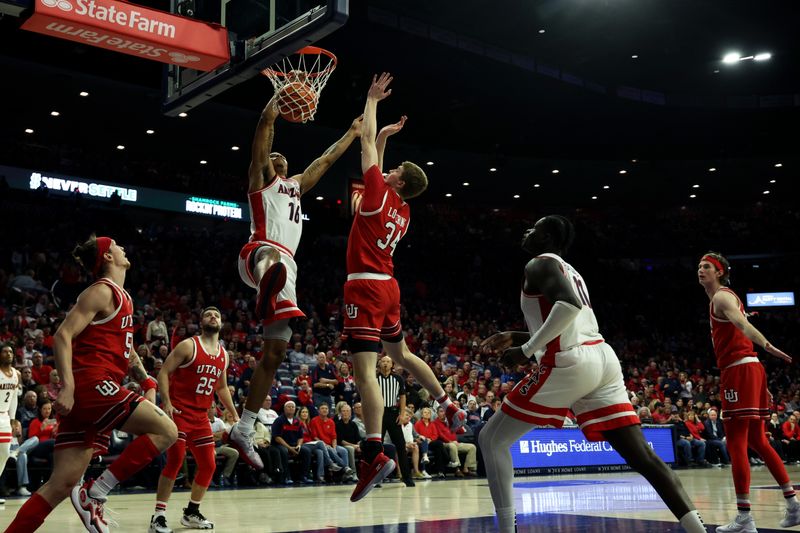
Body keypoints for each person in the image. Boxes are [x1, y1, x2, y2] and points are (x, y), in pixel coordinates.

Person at [478, 216, 705, 533]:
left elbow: (568, 307)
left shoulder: (538, 264)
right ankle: (698, 529)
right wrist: (518, 336)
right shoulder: (569, 269)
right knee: (644, 459)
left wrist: (526, 349)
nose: (526, 231)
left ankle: (506, 530)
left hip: (572, 362)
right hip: (603, 358)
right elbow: (570, 320)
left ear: (548, 238)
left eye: (535, 228)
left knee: (491, 439)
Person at [343, 73, 466, 503]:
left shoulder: (380, 191)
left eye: (393, 171)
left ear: (396, 182)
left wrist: (372, 100)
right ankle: (444, 399)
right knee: (402, 355)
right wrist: (389, 138)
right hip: (390, 285)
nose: (388, 169)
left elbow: (366, 147)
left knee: (365, 372)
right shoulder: (402, 208)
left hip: (365, 287)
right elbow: (376, 160)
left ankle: (374, 450)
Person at [5, 235, 177, 533]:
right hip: (93, 385)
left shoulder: (123, 297)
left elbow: (127, 350)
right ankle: (95, 492)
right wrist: (68, 386)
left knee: (61, 484)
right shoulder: (100, 291)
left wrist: (145, 378)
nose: (123, 248)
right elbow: (62, 335)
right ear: (108, 257)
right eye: (117, 245)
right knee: (167, 431)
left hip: (90, 395)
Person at [227, 94, 363, 469]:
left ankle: (244, 426)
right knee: (274, 261)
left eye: (281, 158)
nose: (278, 157)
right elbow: (264, 133)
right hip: (257, 252)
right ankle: (264, 291)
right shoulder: (259, 180)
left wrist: (352, 133)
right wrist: (273, 106)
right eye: (273, 156)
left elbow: (325, 160)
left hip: (288, 267)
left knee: (273, 356)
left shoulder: (296, 186)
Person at [698, 252, 800, 532]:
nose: (700, 270)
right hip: (750, 369)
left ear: (720, 272)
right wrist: (762, 380)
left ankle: (744, 517)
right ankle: (793, 505)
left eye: (706, 266)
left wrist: (767, 345)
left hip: (739, 371)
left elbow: (743, 326)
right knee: (758, 440)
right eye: (699, 266)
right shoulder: (723, 298)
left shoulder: (721, 297)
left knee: (736, 443)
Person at [149, 306, 238, 533]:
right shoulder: (189, 345)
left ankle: (192, 512)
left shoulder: (223, 355)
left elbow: (222, 387)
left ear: (221, 323)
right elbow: (163, 373)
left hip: (200, 418)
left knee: (208, 464)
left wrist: (234, 413)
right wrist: (166, 402)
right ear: (201, 322)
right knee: (176, 460)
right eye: (209, 314)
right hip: (178, 413)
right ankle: (158, 515)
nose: (213, 317)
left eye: (217, 315)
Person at [0, 345, 20, 505]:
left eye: (11, 352)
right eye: (5, 351)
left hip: (5, 418)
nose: (8, 354)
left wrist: (13, 419)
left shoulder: (16, 374)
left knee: (5, 454)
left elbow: (14, 398)